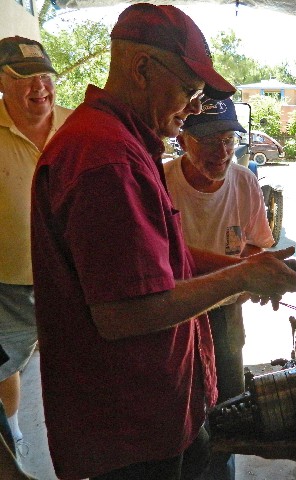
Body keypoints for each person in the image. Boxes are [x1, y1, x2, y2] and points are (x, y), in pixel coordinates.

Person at [30, 4, 296, 480]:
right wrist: (240, 275)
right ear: (141, 69)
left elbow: (160, 259)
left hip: (158, 411)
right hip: (131, 430)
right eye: (190, 90)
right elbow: (125, 312)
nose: (196, 107)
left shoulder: (122, 143)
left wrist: (240, 271)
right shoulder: (107, 160)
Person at [164, 98, 274, 480]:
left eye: (229, 138)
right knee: (176, 409)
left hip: (226, 311)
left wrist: (255, 272)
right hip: (173, 312)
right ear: (183, 139)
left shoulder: (244, 181)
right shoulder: (161, 182)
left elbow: (259, 244)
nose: (222, 151)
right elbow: (162, 256)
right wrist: (243, 271)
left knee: (226, 409)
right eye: (209, 140)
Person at [0, 35, 72, 472]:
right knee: (5, 367)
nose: (39, 87)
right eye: (24, 77)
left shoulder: (78, 124)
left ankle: (78, 443)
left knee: (75, 365)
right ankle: (15, 434)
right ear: (1, 83)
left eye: (45, 76)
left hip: (72, 278)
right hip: (6, 283)